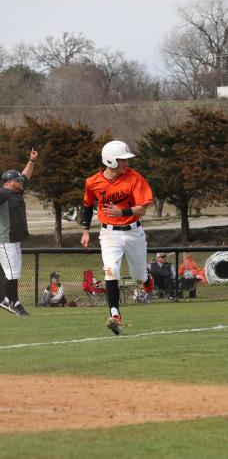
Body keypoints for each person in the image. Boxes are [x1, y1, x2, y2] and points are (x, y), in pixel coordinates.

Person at [80, 140, 155, 335]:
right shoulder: (92, 182)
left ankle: (147, 278)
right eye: (122, 160)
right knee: (111, 271)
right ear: (110, 161)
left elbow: (143, 209)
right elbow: (88, 205)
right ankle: (115, 314)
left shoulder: (135, 178)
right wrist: (86, 230)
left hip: (133, 232)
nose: (127, 163)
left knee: (138, 275)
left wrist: (122, 211)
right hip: (109, 233)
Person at [0, 148, 38, 316]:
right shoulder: (3, 193)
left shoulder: (16, 190)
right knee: (12, 273)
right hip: (4, 240)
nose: (21, 182)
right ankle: (13, 302)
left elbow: (26, 175)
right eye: (17, 180)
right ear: (9, 182)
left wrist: (31, 161)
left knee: (15, 272)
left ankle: (7, 300)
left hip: (13, 240)